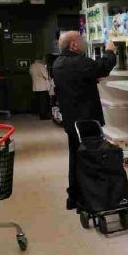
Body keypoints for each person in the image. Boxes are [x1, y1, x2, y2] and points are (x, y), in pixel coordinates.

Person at [52, 31, 116, 210]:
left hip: (72, 122)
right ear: (73, 45)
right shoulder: (79, 62)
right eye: (81, 40)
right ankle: (94, 198)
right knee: (93, 158)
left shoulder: (58, 64)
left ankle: (75, 196)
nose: (85, 42)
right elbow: (103, 68)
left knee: (76, 158)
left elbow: (80, 80)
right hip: (87, 121)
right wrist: (110, 51)